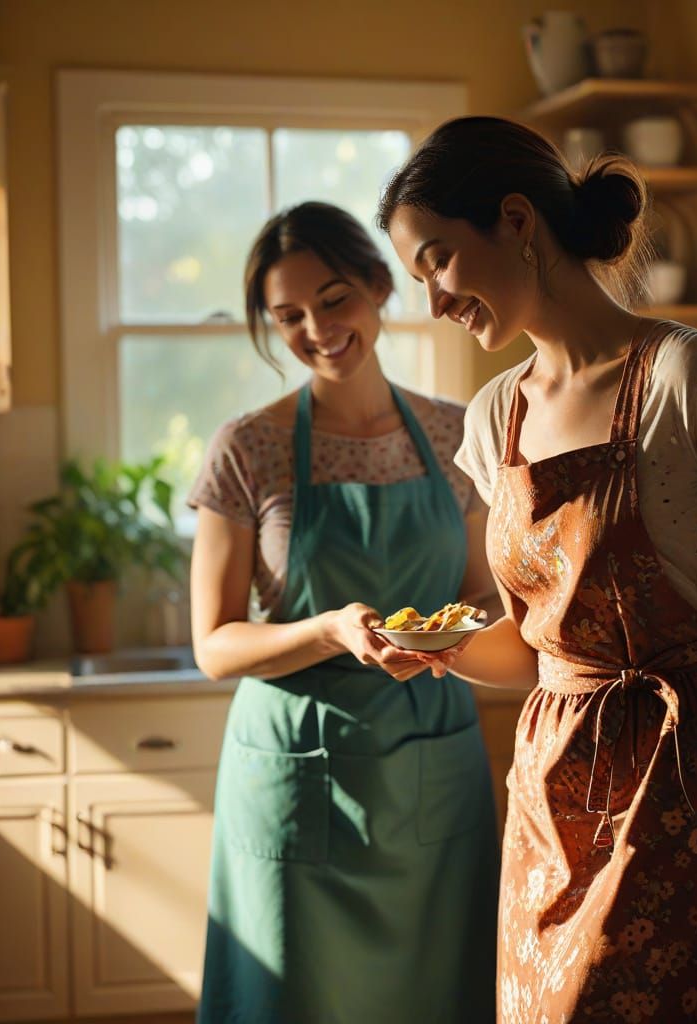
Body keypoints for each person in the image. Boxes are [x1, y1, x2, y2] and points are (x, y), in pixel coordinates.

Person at [378, 117, 697, 1023]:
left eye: (439, 262)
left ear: (516, 220)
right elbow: (541, 650)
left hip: (685, 785)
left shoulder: (691, 375)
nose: (437, 302)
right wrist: (440, 650)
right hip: (549, 800)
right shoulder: (496, 415)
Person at [188, 200, 500, 1024]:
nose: (317, 329)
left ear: (376, 286)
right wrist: (328, 629)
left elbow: (484, 592)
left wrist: (442, 639)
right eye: (287, 315)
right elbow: (214, 646)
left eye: (334, 300)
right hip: (295, 772)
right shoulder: (246, 448)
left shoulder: (454, 434)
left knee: (441, 992)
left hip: (433, 761)